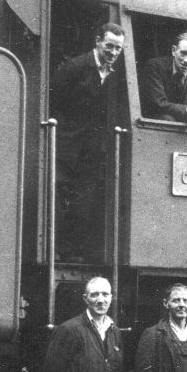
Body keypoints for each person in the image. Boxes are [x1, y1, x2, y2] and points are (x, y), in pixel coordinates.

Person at [49, 22, 127, 260]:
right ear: (98, 41)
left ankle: (71, 252)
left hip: (93, 149)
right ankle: (54, 252)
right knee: (58, 199)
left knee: (84, 202)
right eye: (109, 46)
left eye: (118, 48)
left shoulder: (116, 75)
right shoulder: (75, 67)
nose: (113, 52)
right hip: (66, 144)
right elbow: (54, 102)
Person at [140, 31, 187, 139]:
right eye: (183, 53)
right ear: (174, 51)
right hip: (152, 132)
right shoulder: (155, 67)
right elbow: (159, 104)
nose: (186, 60)